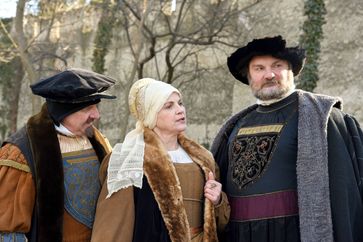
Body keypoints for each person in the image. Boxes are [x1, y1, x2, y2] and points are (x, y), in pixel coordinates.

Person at [211, 35, 363, 242]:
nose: (269, 74)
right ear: (248, 76)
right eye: (259, 68)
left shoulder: (325, 118)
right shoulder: (235, 125)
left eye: (277, 65)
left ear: (292, 71)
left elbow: (345, 194)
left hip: (293, 233)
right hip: (239, 235)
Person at [91, 78, 230, 242]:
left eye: (180, 103)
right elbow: (113, 226)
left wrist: (218, 200)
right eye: (169, 106)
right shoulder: (130, 158)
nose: (180, 110)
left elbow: (221, 225)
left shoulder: (203, 159)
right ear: (151, 114)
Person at [0, 68, 117, 242]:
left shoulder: (96, 139)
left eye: (96, 106)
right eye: (87, 108)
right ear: (64, 111)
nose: (96, 115)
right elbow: (9, 230)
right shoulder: (20, 152)